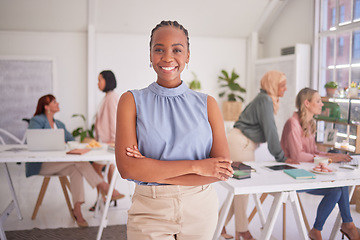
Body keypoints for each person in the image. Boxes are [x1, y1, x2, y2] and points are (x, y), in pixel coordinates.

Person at [115, 20, 233, 240]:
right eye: (159, 49)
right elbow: (128, 169)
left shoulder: (208, 104)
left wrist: (151, 170)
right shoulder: (131, 101)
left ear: (187, 56)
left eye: (177, 50)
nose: (167, 57)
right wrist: (198, 166)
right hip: (150, 209)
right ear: (150, 55)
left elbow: (221, 170)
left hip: (201, 209)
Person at [26, 94, 122, 227]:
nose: (58, 103)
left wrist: (70, 142)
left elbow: (71, 140)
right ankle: (103, 186)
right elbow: (32, 140)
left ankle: (77, 210)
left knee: (76, 169)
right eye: (54, 102)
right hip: (42, 164)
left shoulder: (59, 124)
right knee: (78, 162)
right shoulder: (37, 121)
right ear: (46, 107)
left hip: (59, 164)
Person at [222, 70, 296, 240]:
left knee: (240, 191)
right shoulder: (265, 100)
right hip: (241, 144)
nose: (285, 89)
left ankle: (220, 224)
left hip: (240, 142)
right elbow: (271, 131)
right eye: (282, 85)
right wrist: (282, 158)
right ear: (272, 84)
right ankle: (242, 230)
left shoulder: (263, 99)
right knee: (243, 189)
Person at [280, 88, 358, 240]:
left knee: (337, 189)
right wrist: (329, 159)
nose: (322, 104)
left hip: (308, 171)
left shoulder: (310, 123)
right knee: (339, 186)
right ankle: (348, 225)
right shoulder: (293, 123)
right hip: (293, 176)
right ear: (307, 103)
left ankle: (317, 230)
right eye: (318, 101)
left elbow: (313, 151)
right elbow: (297, 155)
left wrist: (332, 156)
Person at [88, 70, 124, 211]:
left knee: (95, 168)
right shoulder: (108, 97)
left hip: (108, 141)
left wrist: (114, 140)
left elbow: (114, 120)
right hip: (104, 141)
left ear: (107, 80)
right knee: (108, 167)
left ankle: (104, 196)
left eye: (99, 80)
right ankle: (108, 196)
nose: (98, 83)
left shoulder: (112, 97)